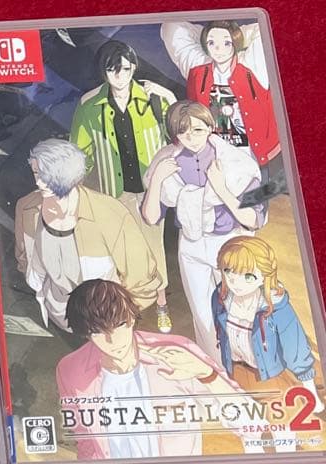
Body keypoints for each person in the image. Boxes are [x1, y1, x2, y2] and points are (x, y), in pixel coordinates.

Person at [57, 279, 260, 459]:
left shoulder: (177, 353)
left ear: (132, 317)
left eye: (119, 325)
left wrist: (208, 375)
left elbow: (252, 424)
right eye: (98, 332)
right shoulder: (70, 370)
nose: (113, 340)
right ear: (86, 334)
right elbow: (84, 439)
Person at [141, 101, 265, 362]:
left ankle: (249, 359)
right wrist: (156, 180)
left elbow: (254, 219)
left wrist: (222, 190)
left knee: (240, 306)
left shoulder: (235, 161)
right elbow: (151, 217)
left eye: (198, 130)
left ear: (210, 127)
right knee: (201, 311)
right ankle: (215, 362)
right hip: (191, 245)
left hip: (230, 243)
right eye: (183, 131)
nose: (191, 137)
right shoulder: (166, 161)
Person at [69, 40, 175, 331]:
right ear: (103, 72)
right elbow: (80, 153)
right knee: (123, 254)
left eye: (126, 69)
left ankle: (161, 305)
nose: (120, 75)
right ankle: (128, 310)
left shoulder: (155, 98)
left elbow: (177, 134)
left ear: (134, 68)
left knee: (153, 249)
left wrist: (168, 95)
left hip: (150, 190)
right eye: (112, 69)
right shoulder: (90, 106)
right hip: (114, 192)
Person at [14, 139, 161, 332]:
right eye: (36, 173)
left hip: (105, 325)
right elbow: (23, 257)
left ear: (70, 175)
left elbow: (142, 279)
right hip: (55, 316)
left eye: (48, 176)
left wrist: (117, 321)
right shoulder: (26, 207)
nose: (39, 182)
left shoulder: (109, 213)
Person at [211, 236, 323, 419]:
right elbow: (219, 332)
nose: (235, 281)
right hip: (237, 369)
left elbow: (295, 347)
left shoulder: (276, 306)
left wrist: (310, 392)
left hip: (270, 373)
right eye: (228, 271)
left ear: (264, 276)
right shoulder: (219, 297)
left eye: (248, 276)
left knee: (282, 419)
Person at [162, 20, 279, 168]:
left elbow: (265, 28)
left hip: (260, 158)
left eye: (226, 43)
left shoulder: (252, 64)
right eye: (212, 43)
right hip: (214, 161)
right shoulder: (197, 66)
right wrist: (209, 34)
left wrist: (234, 33)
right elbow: (171, 27)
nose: (219, 49)